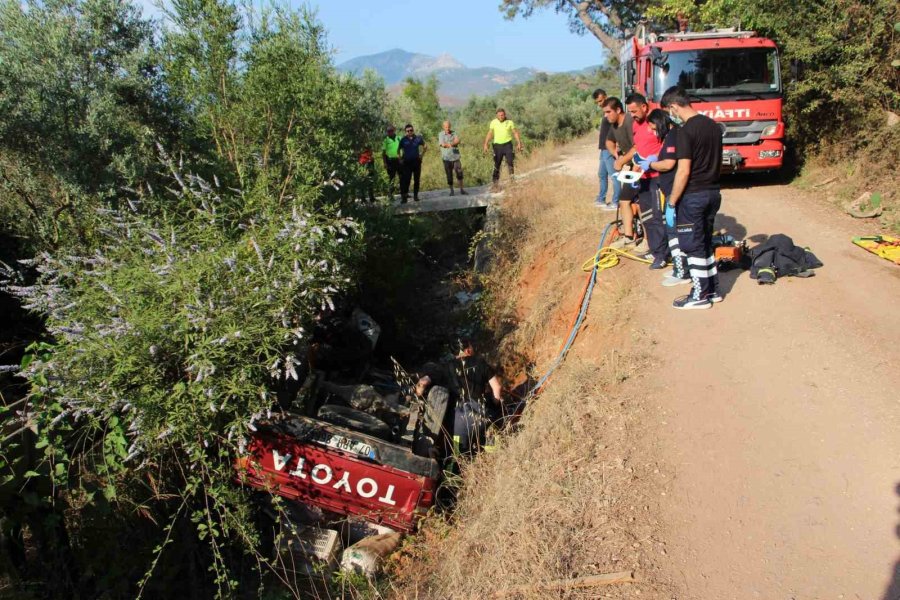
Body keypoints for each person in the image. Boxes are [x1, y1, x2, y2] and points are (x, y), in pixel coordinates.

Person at [660, 85, 723, 310]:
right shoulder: (713, 126)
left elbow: (683, 170)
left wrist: (672, 201)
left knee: (692, 245)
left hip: (693, 196)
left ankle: (699, 295)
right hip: (713, 193)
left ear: (674, 107)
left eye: (670, 111)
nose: (671, 116)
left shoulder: (686, 131)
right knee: (705, 241)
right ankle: (712, 289)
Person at [644, 109, 691, 287]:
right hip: (670, 190)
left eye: (653, 128)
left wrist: (651, 164)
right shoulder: (671, 135)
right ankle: (680, 269)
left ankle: (681, 271)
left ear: (661, 122)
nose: (652, 132)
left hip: (674, 192)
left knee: (674, 231)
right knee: (675, 230)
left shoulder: (673, 135)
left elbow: (669, 163)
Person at [624, 93, 666, 269]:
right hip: (643, 178)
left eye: (634, 111)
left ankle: (663, 255)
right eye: (630, 112)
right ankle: (654, 249)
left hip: (657, 177)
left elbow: (666, 146)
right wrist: (635, 169)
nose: (632, 115)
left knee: (658, 217)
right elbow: (640, 149)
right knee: (647, 217)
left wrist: (653, 161)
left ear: (644, 106)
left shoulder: (656, 121)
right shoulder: (636, 125)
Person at [448, 339, 502, 456]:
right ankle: (491, 453)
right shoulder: (480, 362)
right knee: (496, 417)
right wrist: (496, 404)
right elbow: (497, 388)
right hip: (481, 415)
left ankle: (455, 469)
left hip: (458, 421)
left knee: (458, 455)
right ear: (467, 350)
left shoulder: (449, 367)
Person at [602, 97, 639, 247]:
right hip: (631, 168)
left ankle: (644, 240)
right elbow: (608, 142)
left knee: (636, 202)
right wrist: (616, 155)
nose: (606, 115)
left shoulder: (630, 122)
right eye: (604, 112)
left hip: (640, 167)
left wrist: (621, 161)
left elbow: (638, 147)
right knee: (625, 201)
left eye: (608, 112)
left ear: (618, 110)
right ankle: (629, 237)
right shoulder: (614, 126)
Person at [482, 108, 523, 190]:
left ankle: (512, 180)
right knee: (497, 164)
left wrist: (519, 143)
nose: (501, 116)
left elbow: (515, 132)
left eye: (503, 115)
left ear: (505, 115)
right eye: (500, 115)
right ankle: (495, 183)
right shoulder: (493, 122)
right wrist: (486, 144)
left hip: (508, 145)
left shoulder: (510, 122)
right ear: (497, 115)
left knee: (510, 162)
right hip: (497, 146)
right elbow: (490, 133)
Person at [592, 88, 619, 211]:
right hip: (603, 148)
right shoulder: (605, 112)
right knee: (602, 174)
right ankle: (601, 198)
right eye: (597, 102)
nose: (599, 104)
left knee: (614, 175)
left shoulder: (612, 110)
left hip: (609, 148)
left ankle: (616, 201)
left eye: (601, 100)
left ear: (605, 96)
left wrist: (616, 145)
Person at [398, 124, 426, 203]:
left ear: (413, 130)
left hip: (416, 162)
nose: (410, 132)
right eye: (408, 131)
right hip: (406, 163)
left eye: (411, 130)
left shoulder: (418, 138)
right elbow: (398, 150)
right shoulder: (403, 140)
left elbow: (425, 146)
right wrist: (400, 159)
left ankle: (415, 196)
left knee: (416, 180)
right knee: (406, 180)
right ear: (405, 132)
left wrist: (421, 155)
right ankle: (404, 198)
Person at [438, 121, 467, 196]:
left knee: (459, 173)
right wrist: (453, 143)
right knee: (449, 175)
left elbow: (458, 141)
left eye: (448, 127)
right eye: (446, 127)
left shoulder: (454, 133)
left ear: (450, 126)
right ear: (443, 127)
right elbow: (443, 144)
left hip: (456, 157)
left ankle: (462, 189)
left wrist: (450, 144)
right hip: (446, 158)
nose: (447, 128)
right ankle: (451, 191)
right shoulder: (441, 134)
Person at [381, 125, 401, 200]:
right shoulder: (386, 140)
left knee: (402, 177)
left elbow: (404, 148)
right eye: (388, 131)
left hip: (399, 161)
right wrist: (385, 163)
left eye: (391, 130)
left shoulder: (399, 138)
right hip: (390, 162)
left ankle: (404, 193)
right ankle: (390, 195)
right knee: (392, 178)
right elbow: (383, 153)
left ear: (394, 130)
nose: (389, 132)